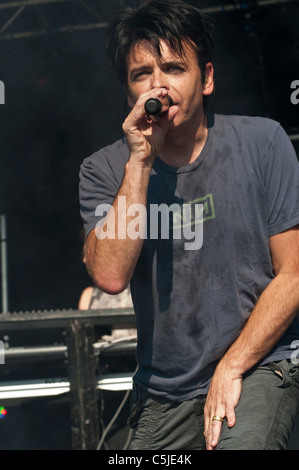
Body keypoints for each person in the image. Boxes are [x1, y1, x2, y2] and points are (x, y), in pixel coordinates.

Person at [79, 0, 299, 450]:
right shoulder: (105, 170)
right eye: (142, 74)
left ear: (208, 78)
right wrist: (140, 161)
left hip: (259, 363)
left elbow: (294, 274)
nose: (158, 84)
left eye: (175, 68)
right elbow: (110, 276)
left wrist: (232, 365)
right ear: (129, 94)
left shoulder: (263, 143)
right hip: (164, 392)